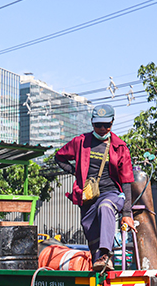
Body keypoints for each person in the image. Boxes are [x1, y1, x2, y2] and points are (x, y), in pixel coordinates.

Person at [55, 104, 134, 272]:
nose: (102, 129)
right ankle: (100, 262)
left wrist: (127, 213)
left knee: (105, 207)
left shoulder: (119, 147)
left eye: (107, 125)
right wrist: (75, 172)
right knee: (90, 230)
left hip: (112, 194)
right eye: (98, 125)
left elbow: (127, 180)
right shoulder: (80, 142)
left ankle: (107, 253)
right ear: (92, 123)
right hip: (88, 197)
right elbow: (59, 157)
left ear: (112, 123)